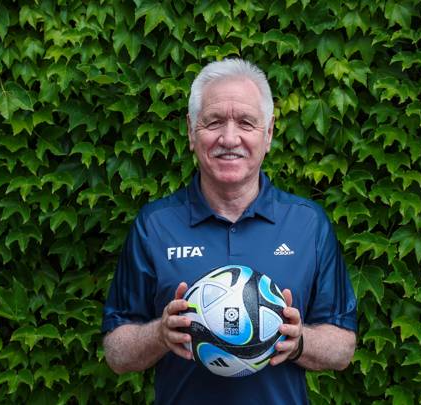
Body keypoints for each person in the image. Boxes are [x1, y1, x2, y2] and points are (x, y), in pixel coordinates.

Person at [101, 58, 357, 404]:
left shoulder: (308, 224)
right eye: (214, 121)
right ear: (192, 132)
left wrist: (299, 342)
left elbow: (342, 346)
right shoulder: (155, 225)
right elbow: (116, 352)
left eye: (247, 123)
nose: (229, 137)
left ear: (268, 134)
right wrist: (159, 335)